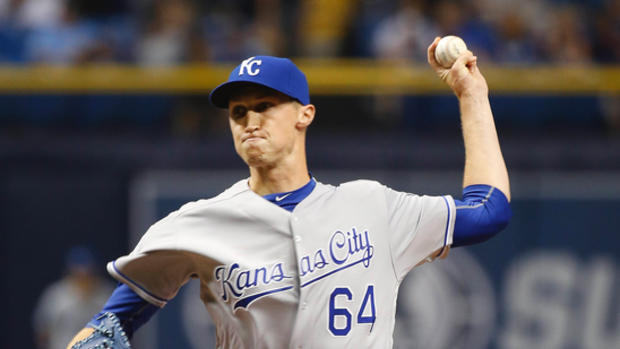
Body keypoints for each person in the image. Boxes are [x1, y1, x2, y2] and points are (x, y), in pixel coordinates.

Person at [67, 37, 511, 349]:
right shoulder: (195, 224)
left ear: (305, 115)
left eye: (265, 106)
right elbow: (110, 323)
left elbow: (488, 210)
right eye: (238, 112)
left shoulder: (373, 207)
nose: (250, 120)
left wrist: (472, 96)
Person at [33, 246, 113, 349]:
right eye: (78, 272)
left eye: (88, 272)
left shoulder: (106, 295)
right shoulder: (56, 295)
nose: (83, 276)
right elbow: (43, 332)